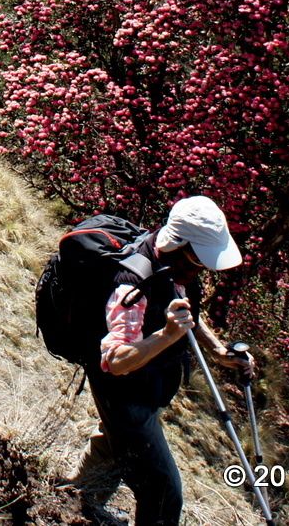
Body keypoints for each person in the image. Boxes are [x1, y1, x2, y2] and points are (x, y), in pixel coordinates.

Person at [72, 195, 254, 526]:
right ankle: (74, 505)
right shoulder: (132, 283)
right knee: (163, 494)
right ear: (179, 244)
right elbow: (116, 360)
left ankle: (71, 505)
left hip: (145, 389)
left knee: (112, 446)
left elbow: (183, 308)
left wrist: (217, 350)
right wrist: (167, 335)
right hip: (125, 395)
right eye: (198, 260)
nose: (201, 269)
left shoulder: (172, 266)